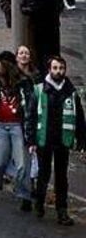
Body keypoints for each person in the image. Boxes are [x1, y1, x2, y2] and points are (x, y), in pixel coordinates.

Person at [33, 56, 86, 225]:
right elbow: (31, 115)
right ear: (49, 70)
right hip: (44, 139)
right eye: (55, 68)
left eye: (61, 68)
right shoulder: (39, 89)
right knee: (44, 174)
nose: (58, 71)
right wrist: (30, 139)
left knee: (62, 177)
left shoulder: (71, 91)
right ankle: (39, 202)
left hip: (63, 139)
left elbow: (79, 117)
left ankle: (62, 211)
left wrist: (82, 140)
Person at [0, 51, 36, 212]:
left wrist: (30, 134)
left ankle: (25, 196)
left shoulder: (24, 83)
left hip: (18, 126)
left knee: (22, 165)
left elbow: (30, 108)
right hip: (0, 125)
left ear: (7, 65)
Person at [20, 0, 62, 68]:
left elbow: (57, 5)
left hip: (51, 27)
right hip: (37, 27)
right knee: (38, 51)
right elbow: (22, 7)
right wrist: (30, 10)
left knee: (51, 51)